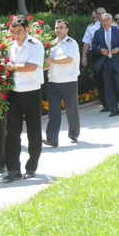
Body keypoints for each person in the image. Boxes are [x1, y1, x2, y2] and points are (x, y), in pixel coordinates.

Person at [2, 15, 45, 183]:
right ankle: (13, 169)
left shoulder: (35, 45)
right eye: (14, 32)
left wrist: (13, 67)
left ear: (27, 29)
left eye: (20, 31)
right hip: (14, 93)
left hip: (31, 91)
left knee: (34, 132)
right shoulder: (11, 46)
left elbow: (32, 66)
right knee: (11, 132)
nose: (17, 35)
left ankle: (31, 166)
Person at [42, 19, 81, 148]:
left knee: (71, 110)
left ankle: (73, 134)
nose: (58, 30)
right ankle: (52, 138)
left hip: (68, 81)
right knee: (53, 111)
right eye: (57, 28)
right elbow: (48, 64)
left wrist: (51, 60)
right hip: (53, 82)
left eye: (61, 28)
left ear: (67, 29)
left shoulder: (71, 43)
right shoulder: (51, 44)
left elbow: (68, 59)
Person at [92, 13, 119, 116]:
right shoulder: (98, 33)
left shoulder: (118, 30)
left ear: (111, 21)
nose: (105, 23)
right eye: (103, 21)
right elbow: (93, 46)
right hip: (106, 62)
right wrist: (100, 50)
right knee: (108, 86)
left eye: (107, 20)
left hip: (118, 60)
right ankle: (114, 109)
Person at [81, 7, 108, 111]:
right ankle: (105, 103)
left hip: (110, 53)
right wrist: (84, 57)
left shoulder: (112, 25)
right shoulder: (91, 27)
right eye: (99, 14)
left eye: (103, 13)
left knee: (110, 77)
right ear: (96, 16)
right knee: (99, 78)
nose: (101, 15)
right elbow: (87, 42)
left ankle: (113, 100)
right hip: (97, 55)